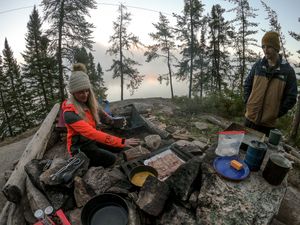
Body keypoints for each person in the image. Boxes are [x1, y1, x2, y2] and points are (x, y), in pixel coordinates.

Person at [62, 63, 140, 167]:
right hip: (80, 147)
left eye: (87, 91)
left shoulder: (89, 104)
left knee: (119, 147)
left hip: (91, 140)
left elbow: (104, 117)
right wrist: (122, 141)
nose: (85, 95)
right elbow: (92, 133)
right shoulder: (69, 113)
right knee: (111, 159)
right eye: (81, 92)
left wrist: (114, 121)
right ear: (73, 93)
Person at [244, 31, 298, 135]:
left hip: (267, 125)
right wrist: (248, 103)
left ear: (276, 48)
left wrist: (276, 113)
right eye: (263, 46)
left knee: (260, 150)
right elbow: (247, 85)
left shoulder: (287, 71)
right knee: (243, 148)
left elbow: (291, 97)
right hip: (249, 118)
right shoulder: (258, 66)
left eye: (269, 47)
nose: (265, 50)